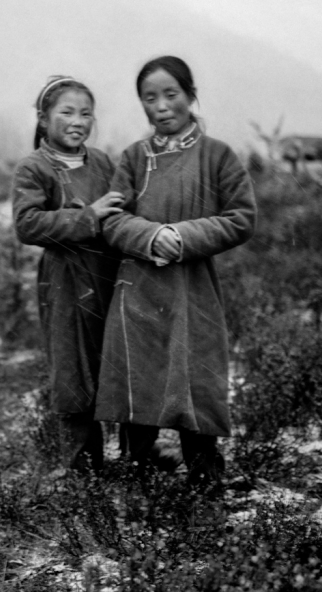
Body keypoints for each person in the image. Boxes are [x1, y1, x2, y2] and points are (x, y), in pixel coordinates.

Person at [97, 56, 256, 488]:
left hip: (192, 290)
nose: (162, 106)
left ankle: (206, 483)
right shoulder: (132, 158)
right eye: (150, 98)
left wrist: (182, 236)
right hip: (139, 289)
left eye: (171, 94)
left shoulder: (218, 156)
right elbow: (111, 219)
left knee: (196, 379)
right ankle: (136, 480)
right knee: (139, 380)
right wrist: (149, 237)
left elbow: (241, 217)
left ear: (190, 95)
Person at [12, 76, 125, 472]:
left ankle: (133, 457)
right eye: (67, 112)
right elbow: (27, 225)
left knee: (117, 358)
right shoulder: (34, 167)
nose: (78, 121)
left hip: (109, 273)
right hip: (65, 279)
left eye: (86, 113)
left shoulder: (103, 162)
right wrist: (87, 216)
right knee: (72, 365)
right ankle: (82, 464)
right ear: (44, 120)